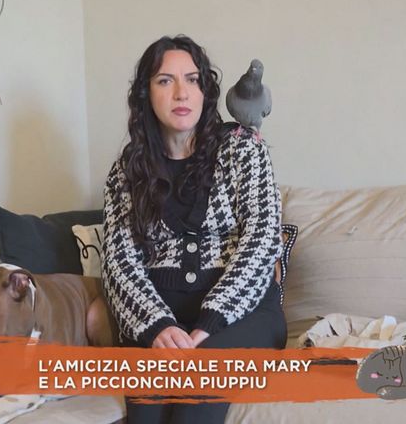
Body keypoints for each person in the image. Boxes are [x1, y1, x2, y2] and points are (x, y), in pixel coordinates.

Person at [101, 34, 286, 424]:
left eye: (192, 79)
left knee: (195, 393)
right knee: (147, 409)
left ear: (205, 91)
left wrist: (210, 322)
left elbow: (262, 239)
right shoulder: (127, 171)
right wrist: (156, 326)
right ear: (146, 94)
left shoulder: (243, 150)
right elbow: (119, 261)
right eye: (165, 81)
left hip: (242, 315)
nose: (181, 93)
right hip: (159, 319)